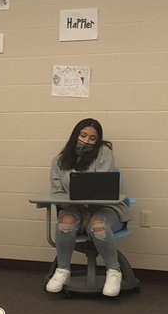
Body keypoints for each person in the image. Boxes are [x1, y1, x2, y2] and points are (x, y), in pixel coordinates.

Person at [46, 116, 129, 298]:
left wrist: (89, 213)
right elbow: (57, 193)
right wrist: (81, 211)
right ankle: (62, 270)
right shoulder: (58, 161)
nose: (86, 141)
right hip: (74, 209)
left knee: (97, 224)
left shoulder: (104, 153)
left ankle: (114, 272)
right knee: (66, 221)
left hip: (106, 208)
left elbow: (102, 187)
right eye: (83, 135)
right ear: (75, 135)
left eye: (92, 138)